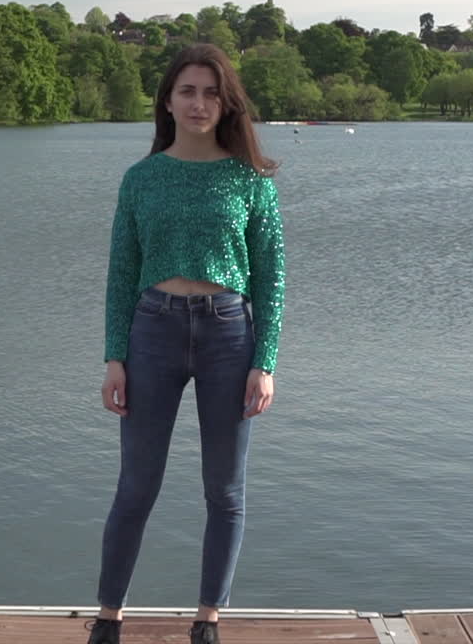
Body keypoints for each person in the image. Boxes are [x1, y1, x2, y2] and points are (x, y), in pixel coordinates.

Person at [87, 43, 286, 644]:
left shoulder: (249, 180)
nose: (199, 103)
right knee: (136, 485)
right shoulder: (142, 179)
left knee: (224, 490)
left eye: (211, 92)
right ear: (168, 102)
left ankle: (207, 619)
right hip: (153, 330)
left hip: (230, 332)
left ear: (226, 103)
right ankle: (108, 617)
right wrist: (113, 357)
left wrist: (266, 361)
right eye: (187, 91)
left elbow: (271, 275)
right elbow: (122, 273)